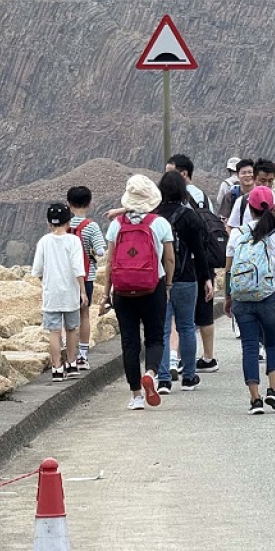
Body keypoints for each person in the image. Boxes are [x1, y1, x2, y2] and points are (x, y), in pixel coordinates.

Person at [223, 186, 275, 414]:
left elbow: (228, 270)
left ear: (249, 207)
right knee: (273, 343)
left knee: (249, 346)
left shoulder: (237, 234)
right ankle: (274, 390)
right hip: (269, 296)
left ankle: (255, 399)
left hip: (242, 298)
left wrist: (229, 297)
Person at [103, 174, 175, 411]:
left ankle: (135, 395)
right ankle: (152, 373)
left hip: (123, 290)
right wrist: (167, 285)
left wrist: (106, 293)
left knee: (129, 342)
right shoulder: (160, 223)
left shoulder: (116, 225)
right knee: (155, 337)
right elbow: (170, 258)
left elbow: (110, 261)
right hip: (153, 286)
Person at [153, 171, 207, 395]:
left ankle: (163, 379)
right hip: (186, 277)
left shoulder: (153, 216)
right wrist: (207, 279)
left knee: (163, 330)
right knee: (186, 327)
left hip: (159, 279)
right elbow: (199, 252)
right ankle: (189, 376)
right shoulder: (190, 216)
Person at [34, 203, 86, 382]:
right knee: (71, 329)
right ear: (68, 222)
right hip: (70, 292)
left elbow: (38, 269)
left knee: (54, 331)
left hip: (51, 294)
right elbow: (78, 267)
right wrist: (83, 291)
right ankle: (71, 364)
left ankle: (56, 368)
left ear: (49, 223)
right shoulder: (73, 241)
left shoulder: (44, 242)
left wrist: (46, 282)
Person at [65, 186, 106, 371]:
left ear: (69, 203)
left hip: (65, 277)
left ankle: (68, 355)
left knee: (67, 316)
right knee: (84, 315)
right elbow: (100, 251)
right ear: (89, 204)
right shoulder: (91, 226)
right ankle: (82, 355)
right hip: (86, 277)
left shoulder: (63, 225)